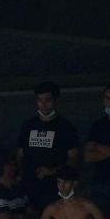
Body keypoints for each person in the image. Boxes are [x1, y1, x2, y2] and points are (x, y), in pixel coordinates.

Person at [17, 81, 81, 210]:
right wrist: (19, 174)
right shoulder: (28, 125)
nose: (43, 104)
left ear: (56, 101)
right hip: (30, 188)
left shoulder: (66, 127)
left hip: (55, 190)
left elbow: (75, 158)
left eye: (48, 100)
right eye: (40, 100)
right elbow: (20, 154)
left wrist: (52, 171)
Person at [80, 83, 110, 219]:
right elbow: (87, 156)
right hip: (99, 181)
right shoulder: (97, 125)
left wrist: (98, 147)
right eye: (108, 98)